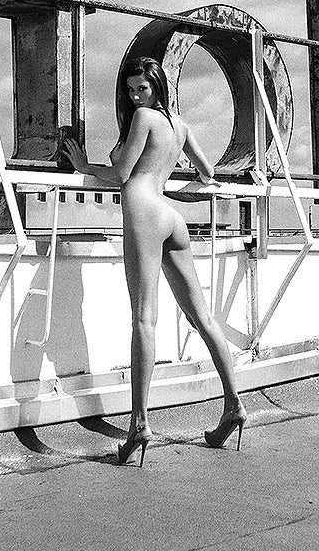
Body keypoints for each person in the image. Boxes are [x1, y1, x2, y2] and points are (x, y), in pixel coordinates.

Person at [62, 56, 247, 465]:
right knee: (204, 318)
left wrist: (83, 167)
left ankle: (139, 424)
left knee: (144, 320)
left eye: (141, 88)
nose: (134, 96)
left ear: (157, 86)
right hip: (170, 215)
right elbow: (207, 172)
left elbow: (122, 174)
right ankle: (234, 404)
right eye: (130, 90)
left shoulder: (143, 118)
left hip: (144, 211)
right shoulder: (180, 125)